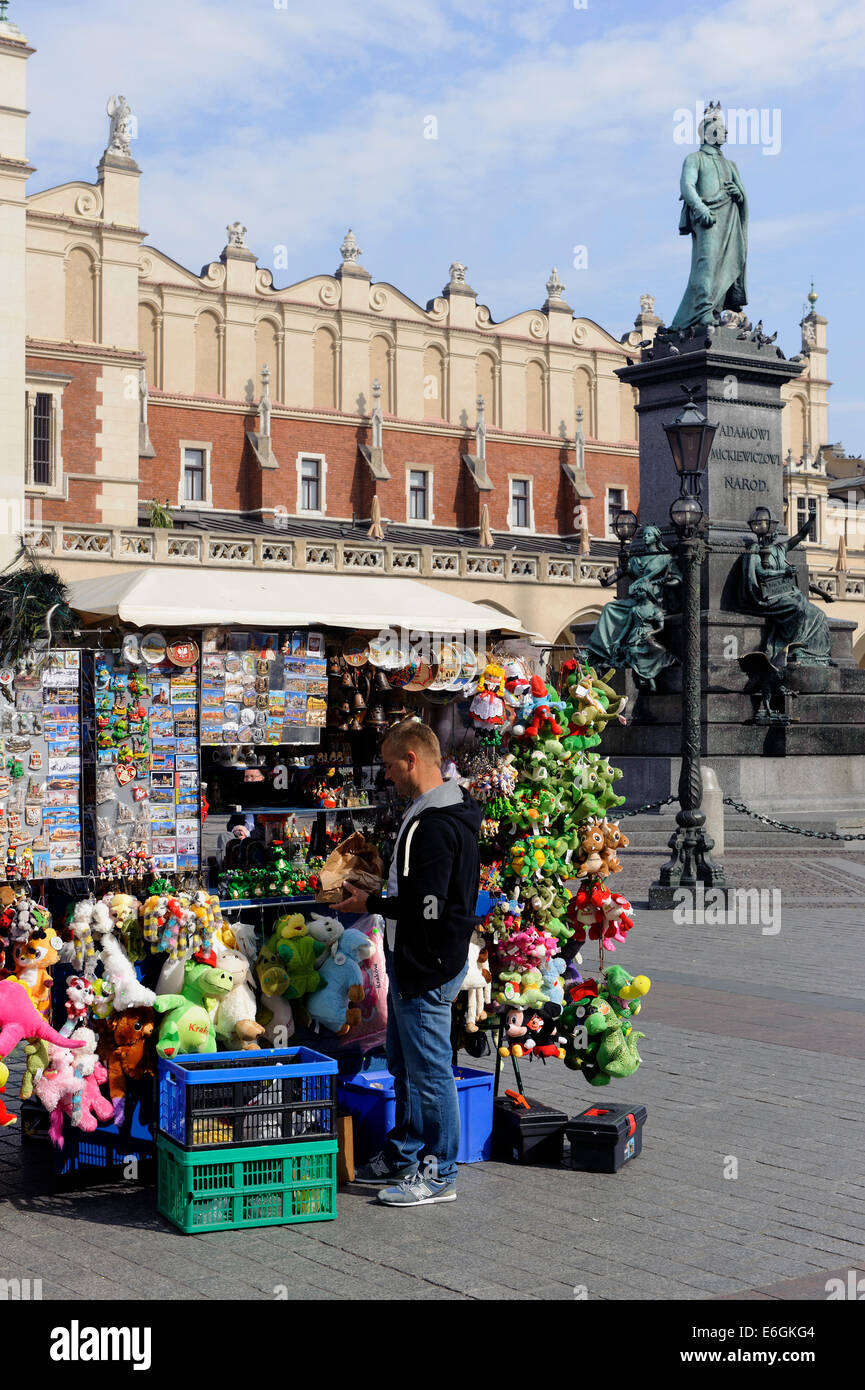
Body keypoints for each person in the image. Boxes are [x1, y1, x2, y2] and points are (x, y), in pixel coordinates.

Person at [338, 720, 482, 1207]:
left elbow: (429, 905)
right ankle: (405, 1152)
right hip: (413, 958)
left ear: (412, 760)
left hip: (427, 963)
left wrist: (372, 904)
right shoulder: (431, 810)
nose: (387, 773)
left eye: (390, 763)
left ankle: (440, 1173)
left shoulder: (436, 823)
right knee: (403, 1062)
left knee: (430, 1070)